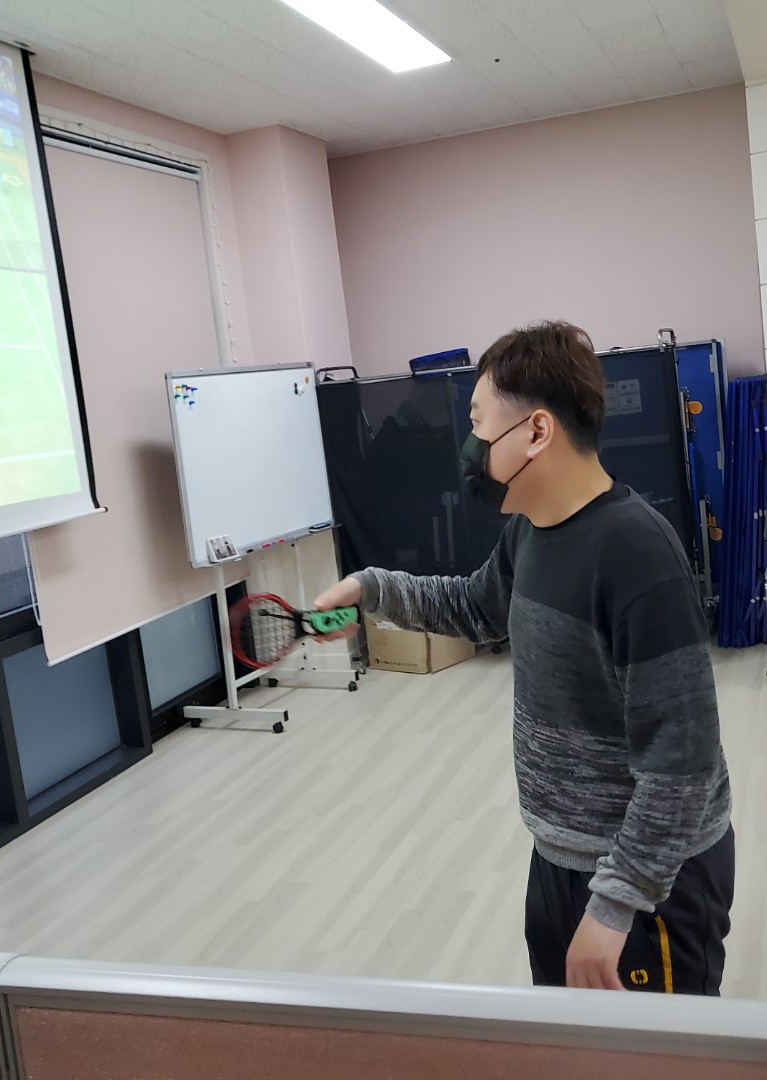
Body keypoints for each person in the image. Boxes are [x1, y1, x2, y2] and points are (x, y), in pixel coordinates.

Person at [313, 321, 734, 994]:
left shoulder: (637, 553)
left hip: (651, 883)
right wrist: (369, 589)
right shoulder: (530, 533)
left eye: (478, 424)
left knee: (653, 1048)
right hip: (563, 856)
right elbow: (474, 608)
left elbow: (683, 762)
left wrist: (617, 902)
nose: (470, 448)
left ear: (537, 431)